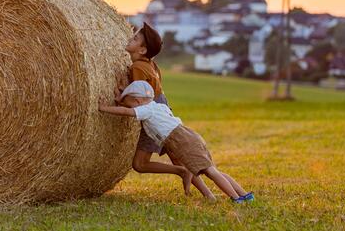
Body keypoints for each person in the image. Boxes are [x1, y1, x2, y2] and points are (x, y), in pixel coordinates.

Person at [100, 80, 254, 203]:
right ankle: (243, 194)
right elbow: (130, 106)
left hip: (181, 141)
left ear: (138, 100)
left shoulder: (146, 110)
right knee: (213, 169)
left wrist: (104, 108)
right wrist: (122, 99)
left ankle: (236, 198)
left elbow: (127, 112)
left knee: (210, 172)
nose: (129, 106)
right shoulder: (158, 106)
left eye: (130, 102)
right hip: (189, 135)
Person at [119, 23, 215, 199]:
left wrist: (119, 100)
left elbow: (140, 96)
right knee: (178, 155)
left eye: (135, 38)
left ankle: (181, 172)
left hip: (152, 113)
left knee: (140, 164)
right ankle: (208, 194)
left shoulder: (137, 68)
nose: (130, 38)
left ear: (142, 50)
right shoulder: (151, 65)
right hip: (164, 109)